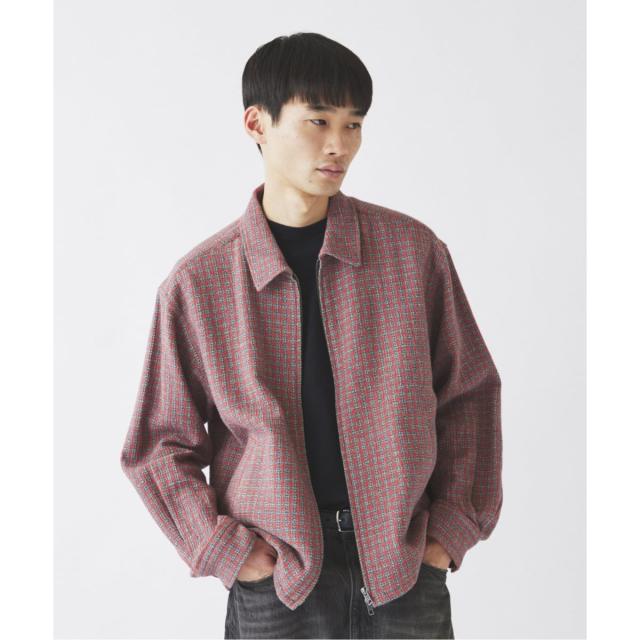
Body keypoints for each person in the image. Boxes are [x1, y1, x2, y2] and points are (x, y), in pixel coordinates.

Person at [120, 32, 503, 640]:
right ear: (257, 123)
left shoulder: (413, 254)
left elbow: (470, 394)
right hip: (277, 578)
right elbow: (157, 445)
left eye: (354, 125)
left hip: (404, 563)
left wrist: (450, 531)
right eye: (318, 121)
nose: (339, 145)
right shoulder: (201, 282)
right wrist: (224, 550)